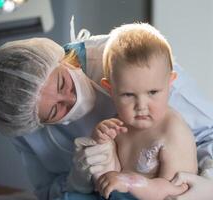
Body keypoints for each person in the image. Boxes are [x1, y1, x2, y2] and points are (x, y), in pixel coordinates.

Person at [0, 24, 213, 200]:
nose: (70, 99)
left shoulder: (129, 61)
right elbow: (49, 190)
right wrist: (79, 179)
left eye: (61, 83)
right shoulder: (20, 117)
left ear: (59, 60)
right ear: (35, 121)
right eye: (54, 110)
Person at [83, 23, 198, 199]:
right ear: (110, 89)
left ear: (170, 82)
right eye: (128, 95)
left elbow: (175, 191)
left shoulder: (173, 132)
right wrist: (103, 144)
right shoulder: (118, 126)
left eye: (152, 92)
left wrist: (129, 182)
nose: (141, 105)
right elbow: (109, 180)